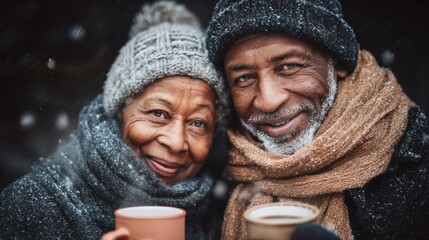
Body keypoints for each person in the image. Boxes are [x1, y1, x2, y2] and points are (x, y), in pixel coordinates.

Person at [0, 1, 228, 239]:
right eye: (158, 113)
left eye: (198, 123)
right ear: (119, 110)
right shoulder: (31, 207)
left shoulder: (221, 215)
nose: (176, 141)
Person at [206, 0, 429, 239]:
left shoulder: (414, 166)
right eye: (244, 78)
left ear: (337, 63)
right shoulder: (215, 167)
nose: (268, 101)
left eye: (289, 66)